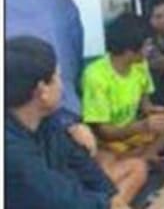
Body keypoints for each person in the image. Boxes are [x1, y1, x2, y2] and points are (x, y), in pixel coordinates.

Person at [6, 35, 147, 209]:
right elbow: (59, 198)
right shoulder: (12, 152)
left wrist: (112, 197)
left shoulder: (46, 121)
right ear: (42, 91)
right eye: (58, 77)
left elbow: (81, 163)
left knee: (132, 171)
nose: (62, 85)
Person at [82, 13, 164, 166]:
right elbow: (104, 131)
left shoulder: (140, 65)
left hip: (137, 130)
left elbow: (145, 106)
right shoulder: (95, 76)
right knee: (107, 156)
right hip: (111, 138)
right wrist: (143, 126)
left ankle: (146, 154)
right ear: (129, 51)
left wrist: (157, 112)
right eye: (146, 45)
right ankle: (141, 156)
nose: (149, 50)